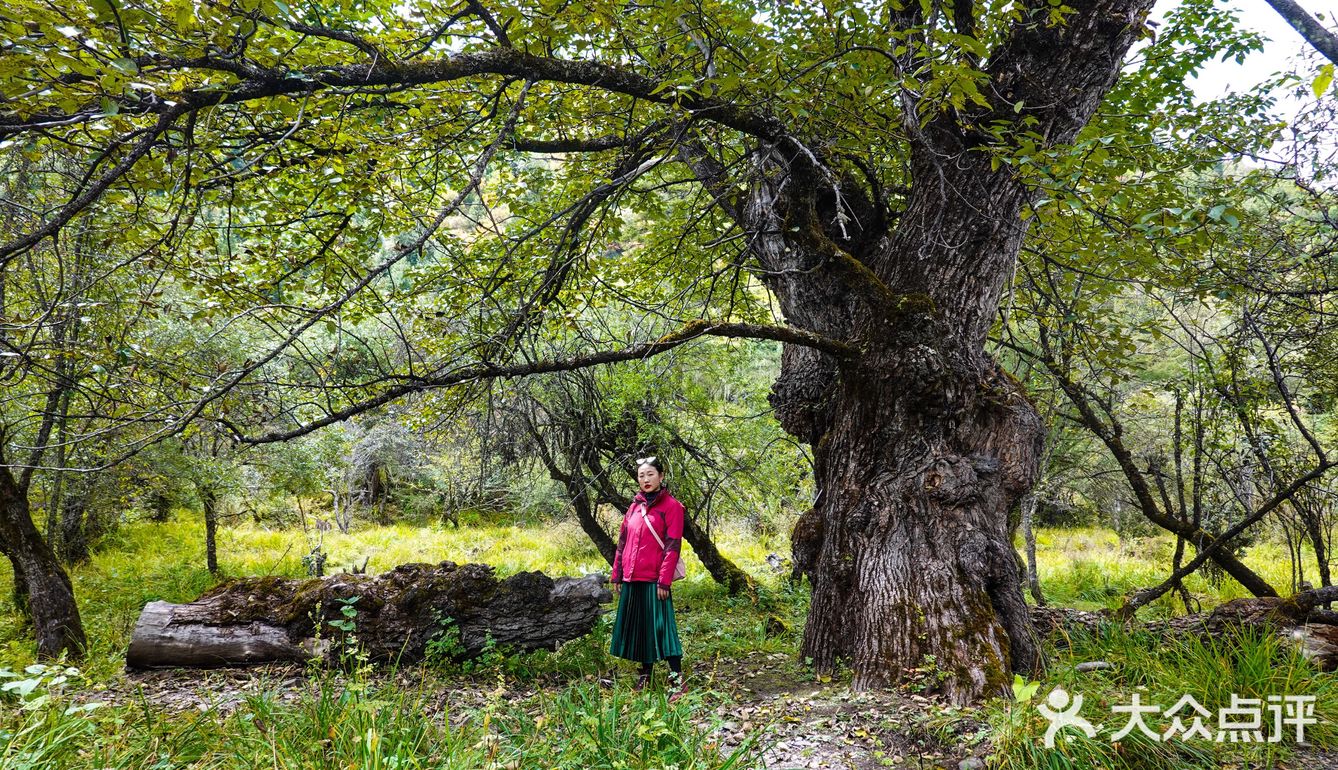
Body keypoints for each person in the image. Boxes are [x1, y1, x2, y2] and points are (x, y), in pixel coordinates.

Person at [608, 455, 688, 701]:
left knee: (663, 629)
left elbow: (673, 545)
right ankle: (645, 675)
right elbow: (623, 542)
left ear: (661, 477)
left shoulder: (672, 507)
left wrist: (664, 580)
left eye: (650, 474)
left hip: (655, 580)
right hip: (633, 578)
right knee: (641, 629)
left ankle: (677, 679)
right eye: (641, 475)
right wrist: (618, 574)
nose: (646, 479)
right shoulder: (634, 507)